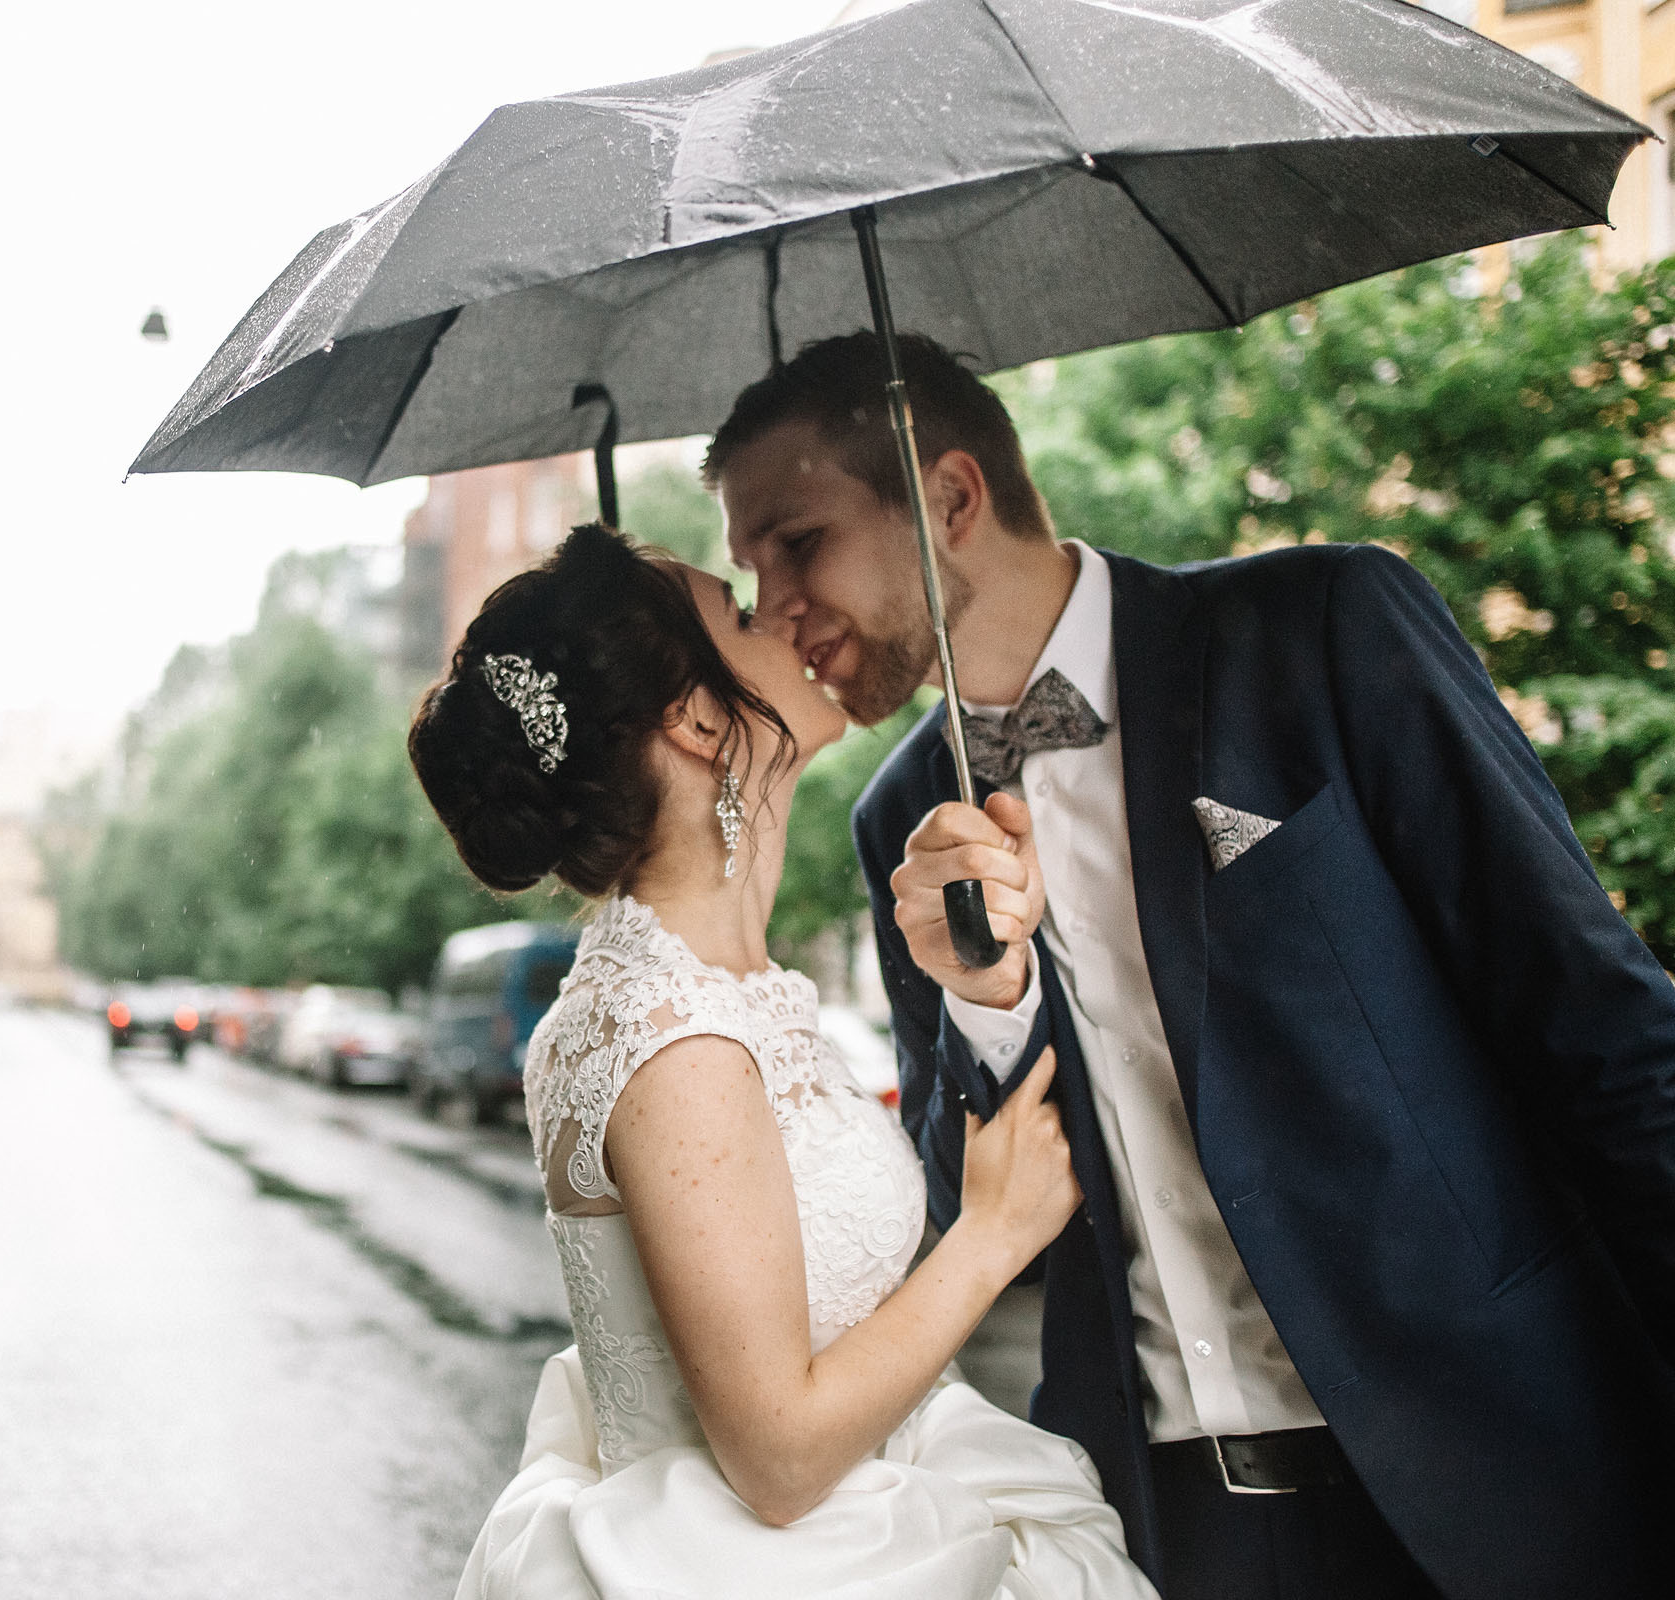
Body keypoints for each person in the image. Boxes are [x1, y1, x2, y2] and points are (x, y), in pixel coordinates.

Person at [709, 332, 1675, 1600]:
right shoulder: (901, 819)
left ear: (949, 497)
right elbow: (961, 1208)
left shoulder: (1321, 628)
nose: (775, 603)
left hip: (1489, 1459)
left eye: (796, 542)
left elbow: (1597, 1024)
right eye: (749, 568)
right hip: (1158, 1515)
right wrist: (984, 1003)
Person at [409, 525, 1157, 1600]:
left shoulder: (706, 992)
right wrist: (989, 1239)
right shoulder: (678, 1042)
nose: (784, 614)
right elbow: (779, 1457)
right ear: (700, 718)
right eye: (744, 613)